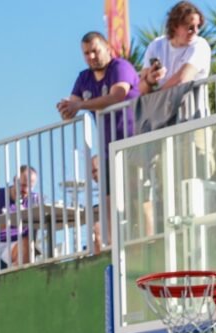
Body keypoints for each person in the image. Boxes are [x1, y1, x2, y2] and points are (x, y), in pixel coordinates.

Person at [57, 31, 139, 226]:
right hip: (108, 150)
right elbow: (71, 108)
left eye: (95, 51)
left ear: (107, 48)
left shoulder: (120, 67)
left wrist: (79, 105)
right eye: (86, 53)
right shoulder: (84, 77)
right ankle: (112, 242)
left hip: (135, 142)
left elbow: (117, 96)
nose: (91, 57)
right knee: (109, 200)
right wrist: (65, 108)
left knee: (139, 197)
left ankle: (150, 238)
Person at [138, 2, 211, 101]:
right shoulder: (156, 46)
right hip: (163, 109)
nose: (195, 31)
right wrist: (149, 81)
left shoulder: (200, 45)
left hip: (192, 110)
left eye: (198, 26)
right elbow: (141, 89)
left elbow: (182, 79)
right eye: (190, 27)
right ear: (175, 26)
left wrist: (155, 100)